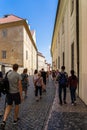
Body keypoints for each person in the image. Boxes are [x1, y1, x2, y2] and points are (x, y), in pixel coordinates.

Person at [0, 64, 22, 129]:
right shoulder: (18, 75)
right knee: (17, 105)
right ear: (17, 68)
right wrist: (21, 95)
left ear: (12, 67)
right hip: (16, 93)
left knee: (8, 106)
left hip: (9, 93)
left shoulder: (8, 74)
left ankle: (4, 121)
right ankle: (15, 119)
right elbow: (20, 86)